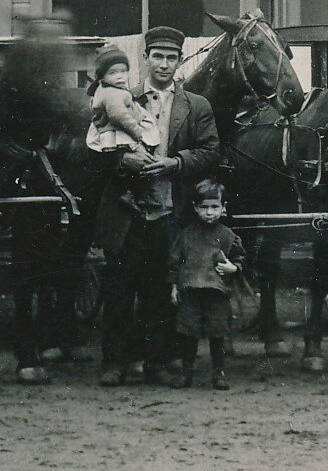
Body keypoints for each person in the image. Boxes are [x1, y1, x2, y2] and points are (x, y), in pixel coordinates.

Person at [92, 25, 221, 388]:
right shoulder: (118, 97)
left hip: (170, 211)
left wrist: (175, 163)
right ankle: (114, 362)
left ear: (180, 62)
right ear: (146, 59)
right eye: (158, 57)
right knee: (119, 289)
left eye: (171, 58)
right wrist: (120, 162)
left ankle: (156, 363)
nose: (164, 64)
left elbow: (211, 152)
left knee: (160, 294)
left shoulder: (196, 106)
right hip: (127, 210)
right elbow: (96, 147)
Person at [169, 178, 247, 390]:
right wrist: (175, 286)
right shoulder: (186, 235)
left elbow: (240, 258)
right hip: (191, 291)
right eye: (204, 208)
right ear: (195, 208)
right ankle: (186, 373)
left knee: (217, 333)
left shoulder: (228, 235)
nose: (209, 212)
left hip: (217, 293)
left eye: (214, 207)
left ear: (223, 208)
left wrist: (234, 268)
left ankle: (218, 373)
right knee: (188, 333)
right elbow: (174, 263)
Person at [86, 47, 160, 154]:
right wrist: (137, 131)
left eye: (123, 71)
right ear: (102, 77)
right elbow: (119, 116)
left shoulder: (111, 89)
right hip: (121, 132)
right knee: (141, 153)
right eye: (113, 73)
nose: (120, 76)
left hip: (120, 129)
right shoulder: (111, 94)